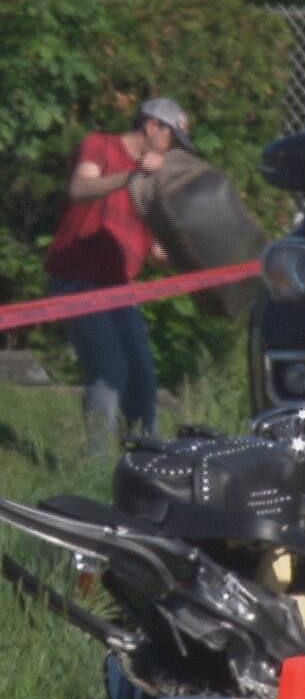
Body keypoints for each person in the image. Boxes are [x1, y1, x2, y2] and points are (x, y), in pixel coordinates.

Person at [42, 98, 194, 452]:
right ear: (152, 127)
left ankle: (146, 462)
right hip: (77, 282)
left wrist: (195, 260)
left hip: (120, 290)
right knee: (111, 370)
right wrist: (134, 175)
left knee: (142, 377)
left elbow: (156, 253)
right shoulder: (101, 145)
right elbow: (79, 188)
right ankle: (95, 468)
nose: (172, 151)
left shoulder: (152, 184)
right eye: (171, 139)